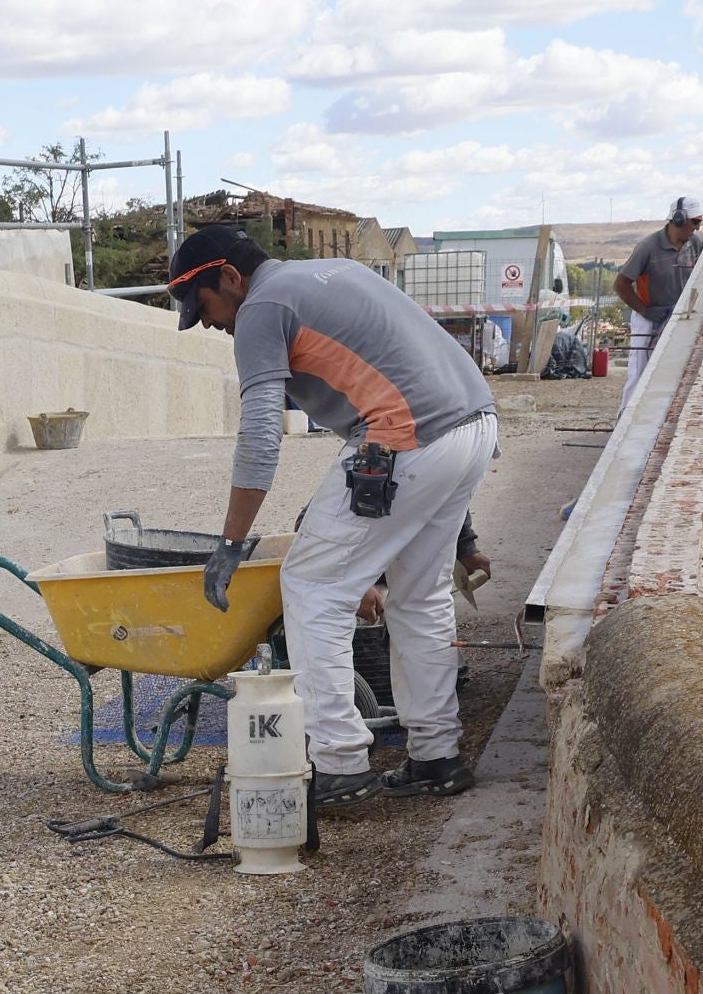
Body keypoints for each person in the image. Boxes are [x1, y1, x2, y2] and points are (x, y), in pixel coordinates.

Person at [170, 225, 497, 808]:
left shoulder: (262, 308)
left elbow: (261, 434)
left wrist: (231, 542)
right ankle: (436, 756)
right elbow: (419, 378)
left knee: (312, 584)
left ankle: (340, 762)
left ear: (230, 277)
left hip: (407, 436)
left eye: (208, 307)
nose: (213, 323)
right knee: (420, 597)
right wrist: (462, 532)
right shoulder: (331, 273)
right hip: (472, 424)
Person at [614, 196, 703, 414]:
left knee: (675, 370)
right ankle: (625, 418)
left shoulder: (696, 246)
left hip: (679, 316)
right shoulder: (648, 247)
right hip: (648, 317)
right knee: (639, 372)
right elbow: (621, 285)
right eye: (695, 222)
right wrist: (646, 311)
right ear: (678, 219)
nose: (697, 228)